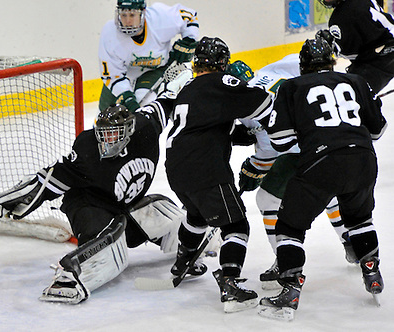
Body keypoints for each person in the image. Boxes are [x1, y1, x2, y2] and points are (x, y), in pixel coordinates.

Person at [0, 69, 193, 304]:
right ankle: (69, 275)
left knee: (159, 210)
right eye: (103, 135)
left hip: (119, 206)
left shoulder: (145, 127)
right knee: (109, 246)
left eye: (113, 135)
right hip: (87, 205)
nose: (106, 141)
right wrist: (22, 201)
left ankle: (190, 246)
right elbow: (51, 178)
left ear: (129, 131)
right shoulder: (88, 148)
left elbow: (166, 99)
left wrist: (187, 75)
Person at [258, 38, 387, 321]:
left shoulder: (290, 87)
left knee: (290, 226)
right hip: (363, 158)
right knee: (360, 219)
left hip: (321, 161)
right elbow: (378, 130)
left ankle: (290, 288)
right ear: (332, 61)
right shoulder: (356, 80)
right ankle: (371, 271)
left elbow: (280, 141)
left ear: (302, 65)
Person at [164, 36, 273, 313]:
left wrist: (240, 134)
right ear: (222, 64)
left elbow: (204, 127)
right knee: (236, 227)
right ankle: (230, 284)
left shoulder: (188, 89)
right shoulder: (221, 82)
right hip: (206, 169)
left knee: (196, 215)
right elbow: (263, 104)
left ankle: (183, 260)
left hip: (176, 169)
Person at [237, 52, 357, 290]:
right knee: (325, 190)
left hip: (297, 150)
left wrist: (254, 168)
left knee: (266, 199)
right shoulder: (270, 70)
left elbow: (270, 148)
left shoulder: (244, 107)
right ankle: (350, 240)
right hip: (325, 138)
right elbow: (303, 62)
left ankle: (283, 263)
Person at [98, 0, 199, 112]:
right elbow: (112, 75)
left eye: (132, 15)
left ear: (143, 13)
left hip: (155, 70)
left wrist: (189, 40)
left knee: (145, 105)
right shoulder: (110, 33)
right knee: (105, 114)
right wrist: (127, 97)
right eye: (123, 15)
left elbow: (190, 17)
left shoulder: (160, 18)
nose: (127, 21)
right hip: (124, 75)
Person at [317, 0, 394, 94]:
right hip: (386, 46)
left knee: (351, 95)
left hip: (382, 57)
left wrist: (332, 46)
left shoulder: (341, 16)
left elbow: (353, 54)